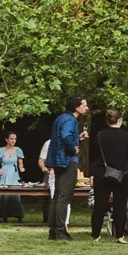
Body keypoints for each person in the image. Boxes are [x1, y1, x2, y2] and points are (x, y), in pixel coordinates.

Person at [44, 96, 87, 242]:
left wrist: (78, 139)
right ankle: (60, 231)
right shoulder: (70, 120)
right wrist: (73, 149)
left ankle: (53, 230)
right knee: (64, 196)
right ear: (77, 107)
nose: (86, 108)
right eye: (84, 105)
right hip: (67, 160)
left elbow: (62, 136)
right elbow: (65, 136)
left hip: (57, 160)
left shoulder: (61, 118)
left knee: (57, 196)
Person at [90, 110, 128, 244]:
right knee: (120, 205)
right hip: (122, 174)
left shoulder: (99, 136)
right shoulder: (126, 137)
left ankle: (96, 235)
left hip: (102, 172)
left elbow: (94, 155)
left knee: (100, 204)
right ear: (120, 120)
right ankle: (120, 235)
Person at [0, 131, 26, 224]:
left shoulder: (18, 150)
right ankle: (1, 216)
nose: (13, 141)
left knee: (15, 195)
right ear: (6, 139)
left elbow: (20, 163)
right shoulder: (1, 150)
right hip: (4, 173)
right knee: (2, 195)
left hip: (14, 174)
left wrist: (21, 168)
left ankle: (18, 216)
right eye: (11, 139)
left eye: (15, 139)